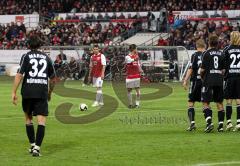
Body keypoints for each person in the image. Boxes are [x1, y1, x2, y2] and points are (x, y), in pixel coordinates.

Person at [12, 35, 56, 157]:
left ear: (28, 45)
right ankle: (37, 148)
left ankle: (32, 144)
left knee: (28, 119)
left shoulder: (26, 56)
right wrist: (50, 93)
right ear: (40, 45)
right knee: (41, 121)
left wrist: (13, 92)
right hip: (41, 91)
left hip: (28, 91)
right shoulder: (47, 57)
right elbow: (53, 79)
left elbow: (19, 74)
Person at [200, 34, 225, 133]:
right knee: (219, 103)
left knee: (205, 102)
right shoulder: (222, 53)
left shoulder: (206, 53)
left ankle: (209, 123)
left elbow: (202, 70)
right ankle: (221, 126)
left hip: (208, 80)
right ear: (218, 43)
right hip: (219, 80)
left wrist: (202, 77)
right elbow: (223, 70)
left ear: (209, 42)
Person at [183, 39, 206, 131]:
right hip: (205, 82)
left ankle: (192, 123)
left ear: (196, 46)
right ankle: (209, 123)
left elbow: (191, 68)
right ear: (204, 46)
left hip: (195, 81)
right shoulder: (206, 54)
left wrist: (185, 80)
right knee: (205, 103)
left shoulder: (194, 55)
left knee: (191, 103)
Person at [223, 31, 240, 131]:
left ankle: (229, 122)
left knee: (228, 100)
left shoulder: (226, 49)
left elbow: (223, 64)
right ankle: (239, 122)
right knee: (238, 100)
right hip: (239, 77)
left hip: (229, 77)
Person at [125, 44, 143, 109]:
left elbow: (138, 64)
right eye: (136, 48)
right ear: (134, 49)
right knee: (129, 90)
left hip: (136, 75)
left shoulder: (136, 56)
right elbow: (129, 61)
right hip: (129, 76)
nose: (137, 50)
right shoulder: (127, 56)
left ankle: (137, 104)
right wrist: (134, 59)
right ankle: (130, 104)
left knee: (137, 90)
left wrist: (140, 69)